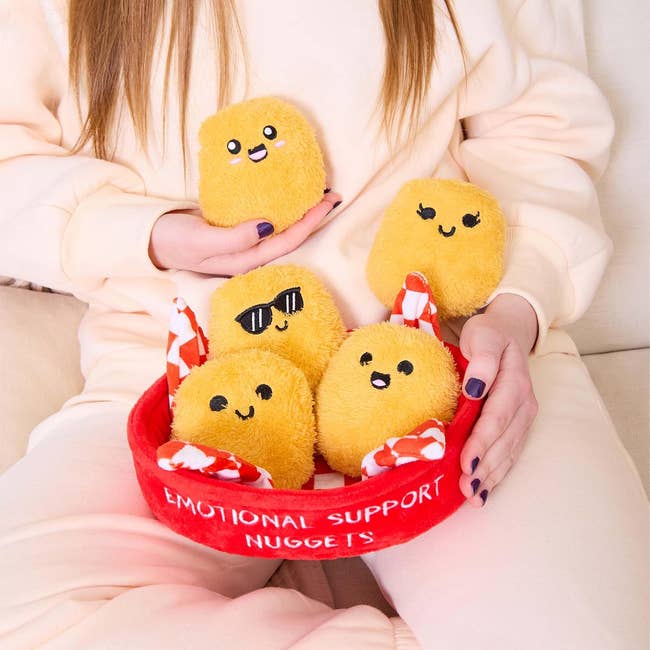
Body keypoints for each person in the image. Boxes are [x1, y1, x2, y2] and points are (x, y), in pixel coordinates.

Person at [0, 0, 646, 647]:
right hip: (177, 381)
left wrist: (517, 306)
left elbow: (541, 133)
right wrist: (150, 235)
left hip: (443, 362)